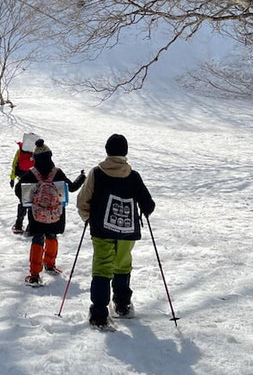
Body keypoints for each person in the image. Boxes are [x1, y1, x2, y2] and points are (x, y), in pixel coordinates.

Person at [75, 133, 155, 327]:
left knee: (102, 267)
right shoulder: (133, 176)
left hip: (101, 230)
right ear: (125, 152)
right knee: (123, 265)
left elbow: (82, 201)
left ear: (107, 151)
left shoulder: (96, 173)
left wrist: (89, 219)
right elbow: (149, 205)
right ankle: (122, 304)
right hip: (127, 231)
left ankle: (99, 313)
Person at [15, 139, 85, 286]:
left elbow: (18, 189)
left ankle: (34, 275)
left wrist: (29, 201)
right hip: (55, 213)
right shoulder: (56, 172)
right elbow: (72, 187)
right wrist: (81, 178)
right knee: (52, 236)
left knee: (37, 239)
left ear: (35, 157)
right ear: (50, 156)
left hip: (37, 214)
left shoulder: (32, 173)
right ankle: (50, 265)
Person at [8, 132, 38, 234]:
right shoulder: (36, 152)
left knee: (23, 202)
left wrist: (12, 178)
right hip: (34, 180)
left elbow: (14, 165)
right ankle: (31, 227)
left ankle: (18, 225)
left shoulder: (20, 151)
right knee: (32, 203)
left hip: (21, 179)